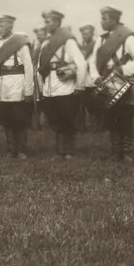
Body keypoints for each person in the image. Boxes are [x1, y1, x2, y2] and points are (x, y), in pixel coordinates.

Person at [94, 6, 134, 161]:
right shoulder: (101, 39)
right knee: (111, 116)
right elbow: (93, 62)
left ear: (114, 20)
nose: (101, 22)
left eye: (105, 19)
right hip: (107, 82)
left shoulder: (127, 37)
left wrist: (123, 70)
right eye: (102, 18)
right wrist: (96, 76)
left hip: (123, 82)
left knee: (125, 116)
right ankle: (116, 150)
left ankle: (127, 151)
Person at [37, 9, 86, 159]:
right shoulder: (45, 42)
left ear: (57, 22)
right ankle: (60, 151)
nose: (46, 25)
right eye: (45, 21)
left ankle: (69, 152)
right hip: (50, 85)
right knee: (56, 119)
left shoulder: (68, 40)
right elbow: (41, 66)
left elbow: (81, 64)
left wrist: (79, 85)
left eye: (49, 21)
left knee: (67, 119)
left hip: (65, 85)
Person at [0, 14, 35, 158]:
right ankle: (11, 149)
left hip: (17, 85)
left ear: (10, 26)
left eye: (2, 26)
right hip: (2, 87)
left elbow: (28, 67)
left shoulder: (19, 43)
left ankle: (22, 150)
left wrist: (28, 90)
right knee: (6, 120)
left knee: (20, 119)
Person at [76, 23, 97, 133]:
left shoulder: (96, 45)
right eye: (83, 34)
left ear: (92, 34)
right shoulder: (81, 48)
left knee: (95, 104)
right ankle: (82, 127)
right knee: (82, 104)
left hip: (93, 80)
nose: (85, 36)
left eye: (87, 34)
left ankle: (96, 127)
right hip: (83, 80)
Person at [31, 25, 50, 130]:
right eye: (37, 35)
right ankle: (39, 123)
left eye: (41, 34)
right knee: (38, 98)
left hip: (45, 74)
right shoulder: (37, 47)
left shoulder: (48, 45)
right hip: (37, 74)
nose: (39, 37)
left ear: (46, 34)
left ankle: (47, 122)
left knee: (46, 97)